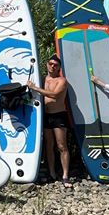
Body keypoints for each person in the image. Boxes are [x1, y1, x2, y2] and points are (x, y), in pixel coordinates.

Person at [27, 55, 72, 188]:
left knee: (61, 146)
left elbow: (54, 95)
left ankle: (65, 175)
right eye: (50, 64)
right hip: (45, 115)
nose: (52, 66)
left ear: (59, 67)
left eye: (56, 65)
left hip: (59, 115)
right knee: (48, 145)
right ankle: (51, 173)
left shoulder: (62, 81)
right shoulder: (42, 79)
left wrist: (35, 88)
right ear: (47, 64)